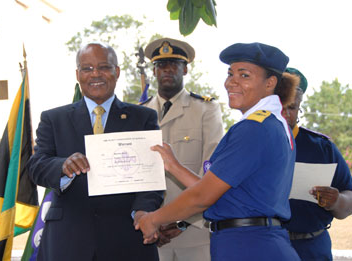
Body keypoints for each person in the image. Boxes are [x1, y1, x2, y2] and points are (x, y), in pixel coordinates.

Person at [136, 42, 301, 260]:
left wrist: (153, 219)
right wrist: (173, 166)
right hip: (253, 241)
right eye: (230, 73)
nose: (231, 82)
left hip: (249, 245)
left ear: (270, 82)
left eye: (244, 76)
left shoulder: (253, 129)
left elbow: (203, 196)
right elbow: (215, 191)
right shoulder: (270, 123)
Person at [27, 42, 163, 261]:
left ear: (117, 72)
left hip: (127, 237)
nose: (96, 74)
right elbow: (36, 167)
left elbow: (152, 178)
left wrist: (142, 211)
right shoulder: (53, 119)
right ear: (78, 74)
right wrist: (62, 166)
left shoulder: (143, 118)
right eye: (87, 68)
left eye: (104, 67)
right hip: (68, 238)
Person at [142, 37, 223, 261]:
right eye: (161, 65)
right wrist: (148, 220)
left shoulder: (206, 109)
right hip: (151, 234)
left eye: (174, 64)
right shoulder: (139, 113)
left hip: (194, 232)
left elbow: (212, 176)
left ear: (185, 69)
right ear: (154, 71)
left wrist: (183, 222)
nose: (167, 70)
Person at [281, 67, 352, 260]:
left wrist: (336, 201)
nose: (285, 113)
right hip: (264, 246)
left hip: (312, 249)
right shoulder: (250, 142)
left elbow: (349, 199)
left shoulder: (322, 148)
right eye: (279, 105)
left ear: (299, 107)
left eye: (292, 107)